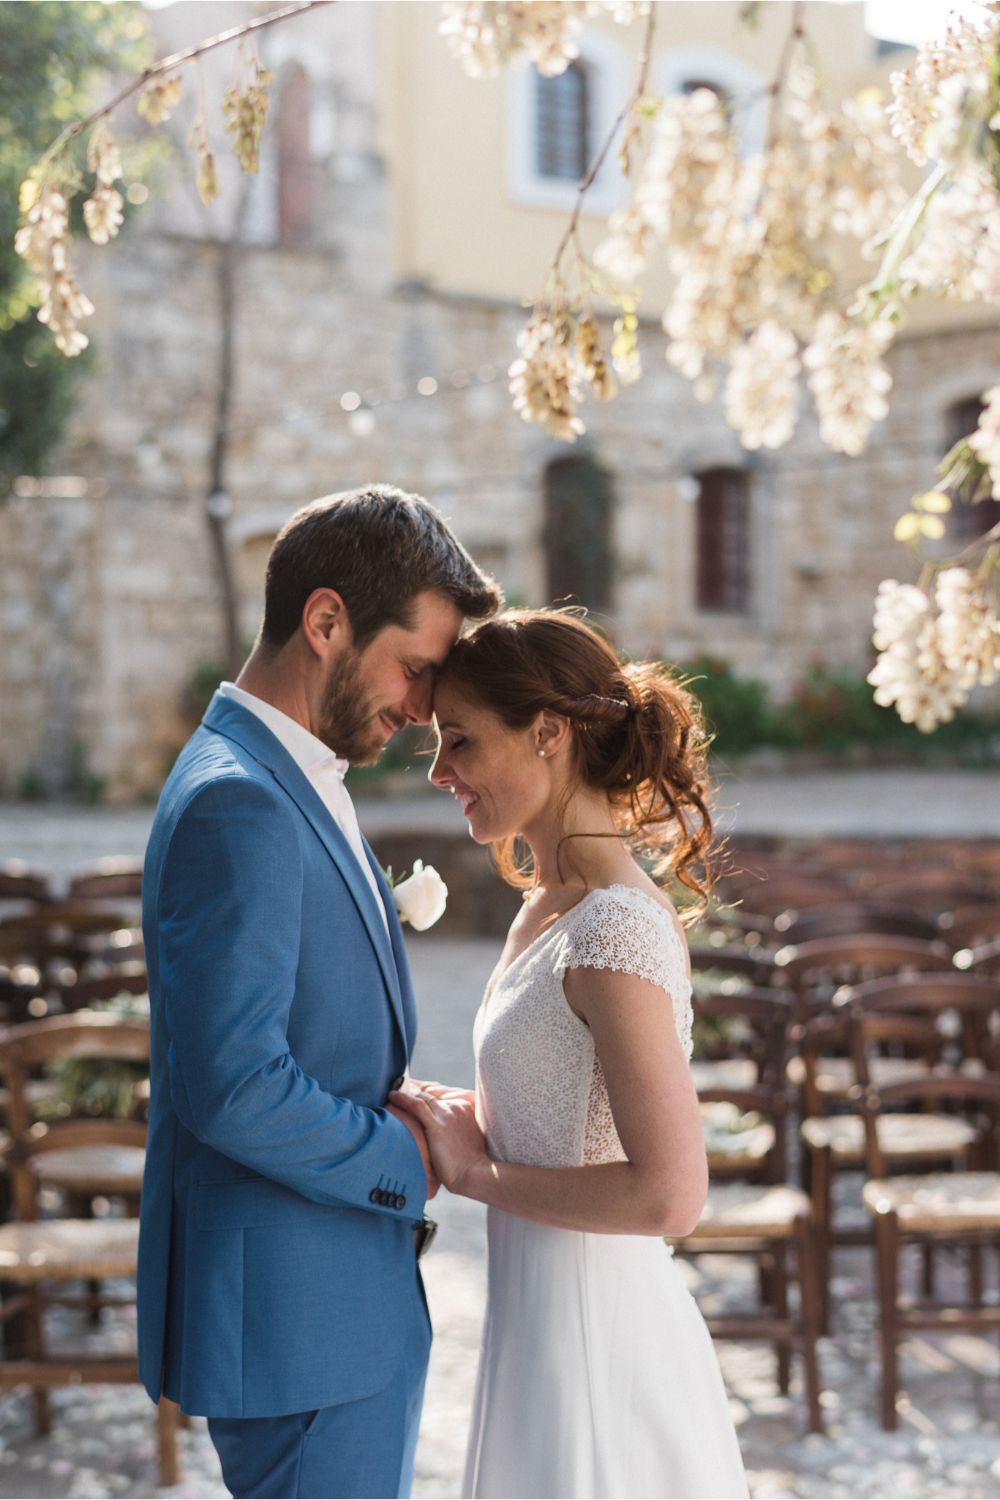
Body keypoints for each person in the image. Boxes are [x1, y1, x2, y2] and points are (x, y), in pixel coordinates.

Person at [137, 485, 501, 1500]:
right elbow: (235, 1086)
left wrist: (406, 1097)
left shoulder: (285, 772)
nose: (426, 707)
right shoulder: (238, 802)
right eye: (414, 667)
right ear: (326, 620)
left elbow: (303, 1028)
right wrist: (408, 1155)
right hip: (296, 1328)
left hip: (330, 1306)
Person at [391, 609, 749, 1500]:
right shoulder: (546, 906)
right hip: (538, 1333)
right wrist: (457, 1121)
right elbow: (562, 1117)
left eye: (460, 741)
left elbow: (670, 1194)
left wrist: (474, 1175)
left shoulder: (612, 927)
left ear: (547, 733)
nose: (440, 773)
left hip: (601, 1348)